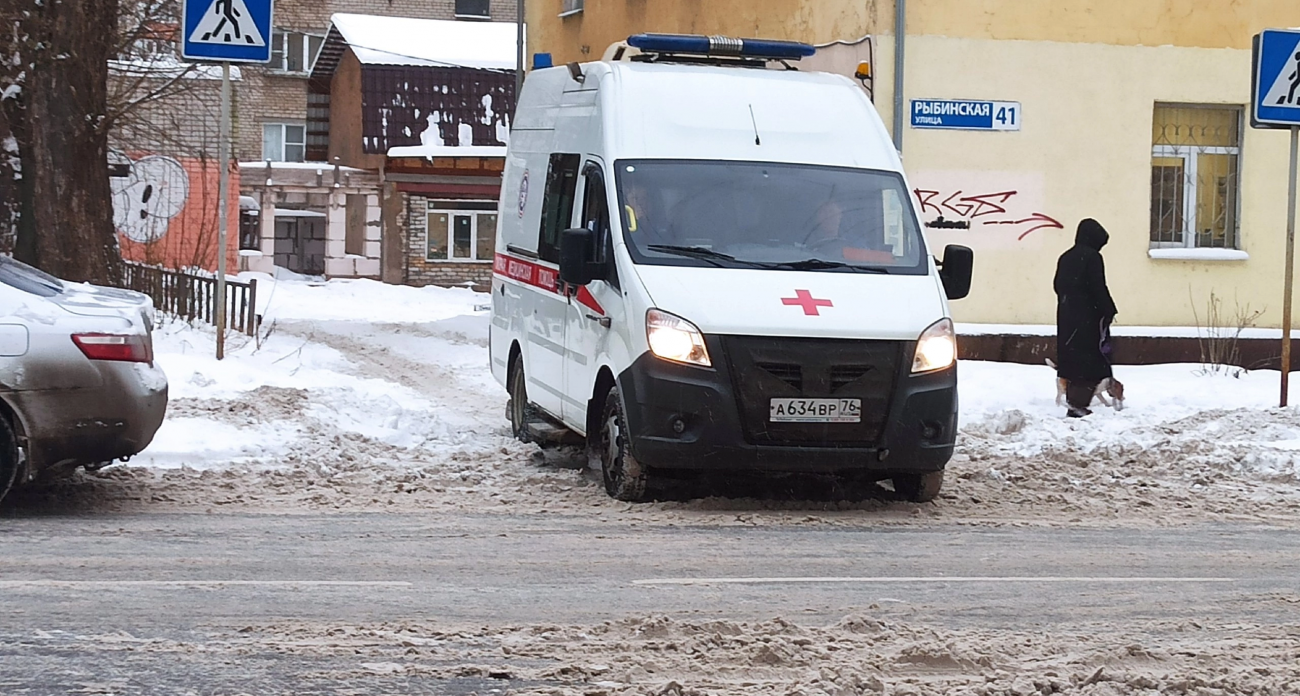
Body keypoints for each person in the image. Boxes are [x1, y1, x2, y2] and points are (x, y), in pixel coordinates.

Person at [1054, 218, 1119, 417]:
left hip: (1067, 317)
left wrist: (1069, 302)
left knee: (1072, 359)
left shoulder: (1066, 257)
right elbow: (1098, 287)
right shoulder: (1092, 258)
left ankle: (1074, 400)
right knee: (1090, 360)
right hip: (1088, 318)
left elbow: (1057, 285)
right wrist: (1109, 309)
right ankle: (1078, 405)